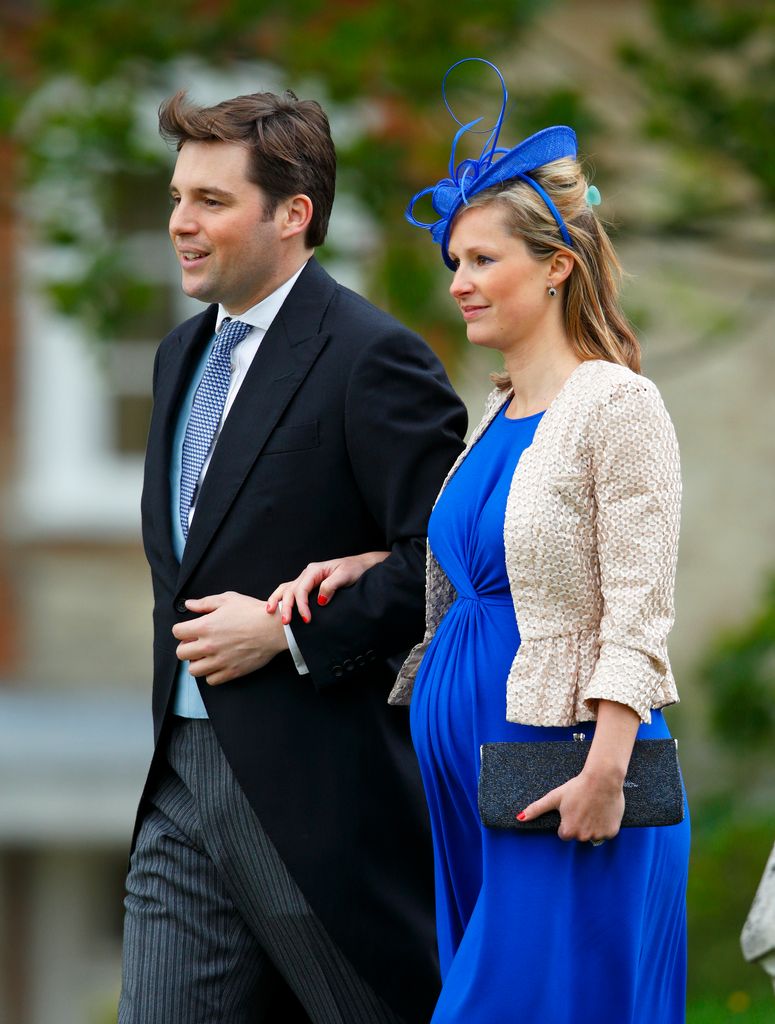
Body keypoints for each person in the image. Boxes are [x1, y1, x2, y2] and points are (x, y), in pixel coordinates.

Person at [269, 60, 690, 1024]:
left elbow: (638, 604)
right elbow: (485, 571)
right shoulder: (498, 409)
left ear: (556, 264)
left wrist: (605, 770)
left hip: (568, 778)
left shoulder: (616, 404)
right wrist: (369, 565)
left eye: (481, 260)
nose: (457, 283)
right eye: (452, 261)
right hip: (474, 783)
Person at [118, 86, 468, 1024]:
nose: (179, 223)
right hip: (179, 782)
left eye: (211, 202)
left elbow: (444, 570)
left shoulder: (374, 358)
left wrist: (288, 636)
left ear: (293, 213)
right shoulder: (177, 357)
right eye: (177, 197)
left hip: (320, 805)